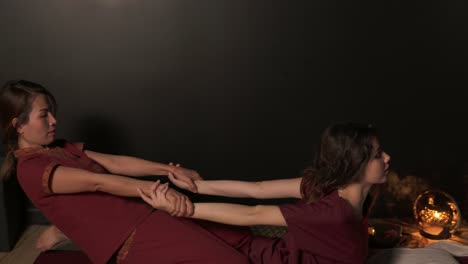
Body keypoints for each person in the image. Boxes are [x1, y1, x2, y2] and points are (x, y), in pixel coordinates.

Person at [0, 80, 250, 264]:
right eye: (44, 115)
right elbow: (99, 182)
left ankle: (61, 231)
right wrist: (163, 192)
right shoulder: (31, 169)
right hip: (128, 237)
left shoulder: (59, 147)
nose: (54, 121)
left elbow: (116, 163)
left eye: (52, 112)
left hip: (145, 211)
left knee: (237, 236)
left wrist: (169, 170)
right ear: (19, 125)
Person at [140, 122, 391, 263]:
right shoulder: (333, 210)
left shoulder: (360, 196)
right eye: (378, 155)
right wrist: (187, 202)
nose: (387, 158)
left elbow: (257, 189)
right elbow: (254, 206)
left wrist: (197, 188)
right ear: (355, 164)